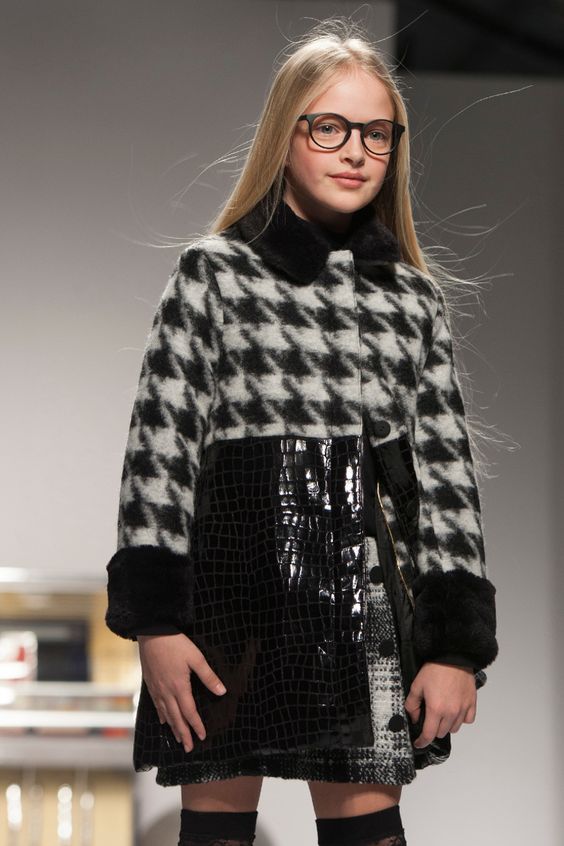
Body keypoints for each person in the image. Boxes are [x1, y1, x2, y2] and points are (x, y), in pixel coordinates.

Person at [104, 18, 499, 846]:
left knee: (368, 831)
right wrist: (155, 625)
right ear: (286, 135)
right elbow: (159, 458)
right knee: (216, 832)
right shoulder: (213, 275)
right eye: (330, 128)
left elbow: (446, 482)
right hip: (228, 601)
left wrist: (457, 649)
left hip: (364, 602)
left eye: (377, 134)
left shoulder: (411, 301)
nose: (356, 151)